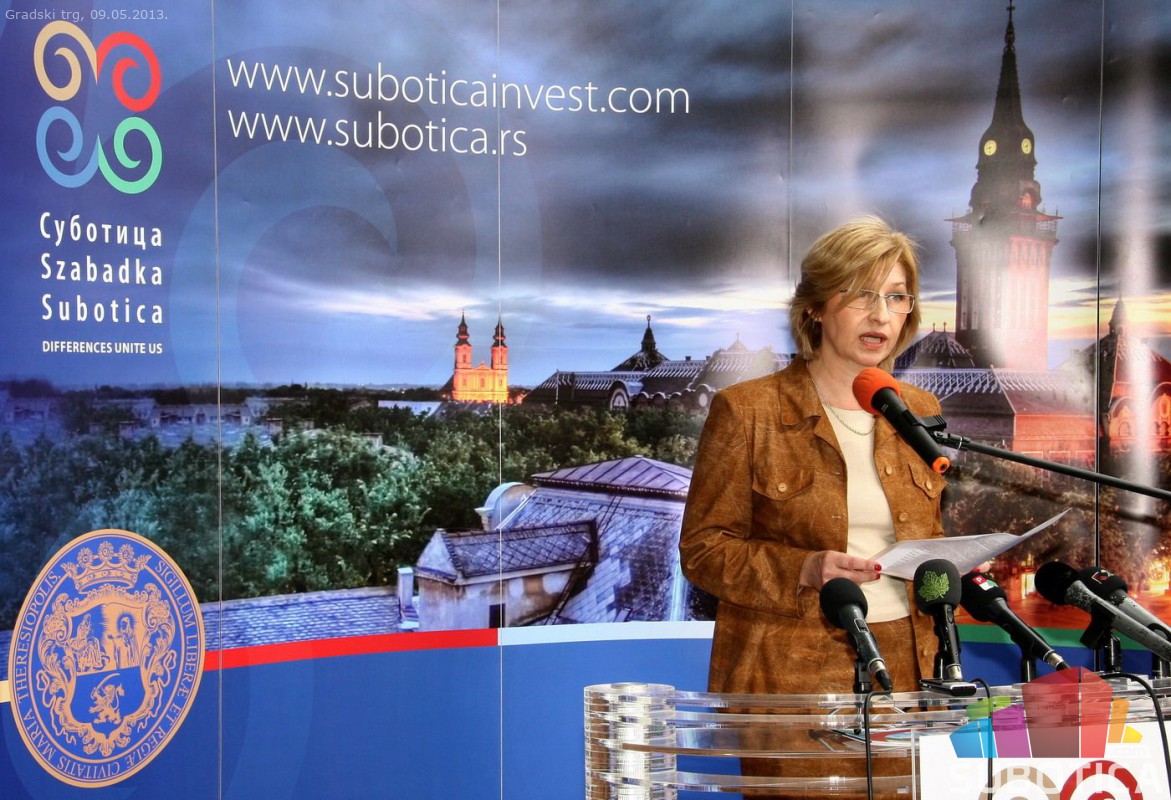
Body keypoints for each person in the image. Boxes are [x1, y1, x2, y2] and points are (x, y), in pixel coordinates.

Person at [679, 216, 947, 793]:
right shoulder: (747, 411)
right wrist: (802, 568)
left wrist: (956, 565)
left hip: (909, 671)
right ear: (816, 308)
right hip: (790, 679)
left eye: (896, 297)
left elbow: (926, 533)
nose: (881, 314)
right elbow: (703, 550)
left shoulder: (920, 410)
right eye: (862, 295)